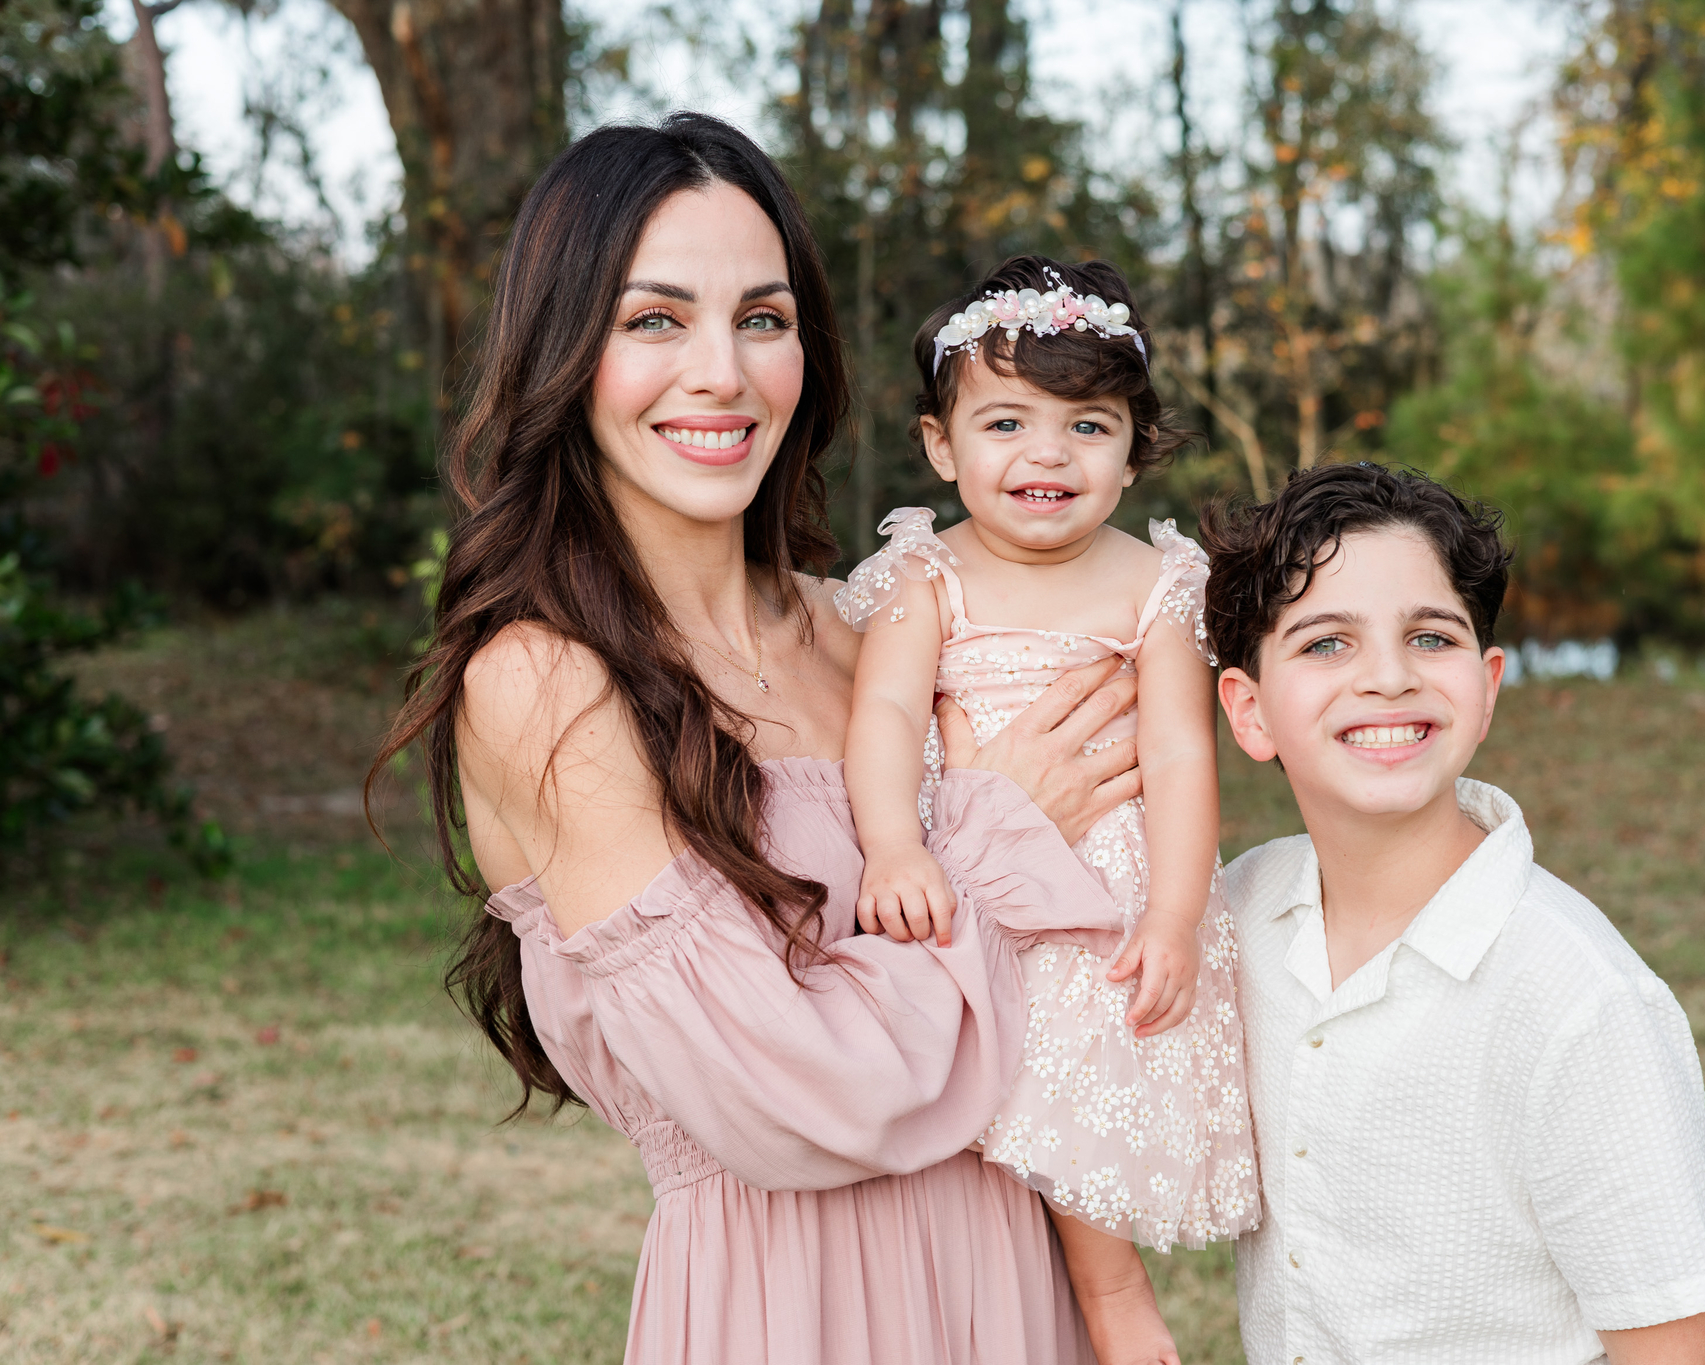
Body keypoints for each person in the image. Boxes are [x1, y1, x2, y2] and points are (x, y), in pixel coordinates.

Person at [371, 114, 1154, 1365]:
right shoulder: (544, 681)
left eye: (762, 318)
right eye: (653, 320)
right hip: (789, 1310)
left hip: (1012, 1280)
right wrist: (998, 841)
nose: (721, 376)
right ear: (563, 353)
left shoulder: (873, 631)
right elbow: (785, 1096)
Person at [1203, 463, 1705, 1365]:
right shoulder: (1239, 915)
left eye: (1430, 636)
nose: (1386, 677)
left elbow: (1677, 1348)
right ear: (1249, 712)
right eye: (1326, 642)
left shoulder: (1579, 998)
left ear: (1486, 687)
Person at [834, 255, 1259, 1365]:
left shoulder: (1152, 584)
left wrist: (1169, 916)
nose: (1045, 455)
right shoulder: (925, 577)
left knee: (1069, 1072)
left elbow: (1174, 753)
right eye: (1007, 422)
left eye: (1087, 427)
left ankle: (1112, 1300)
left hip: (1101, 887)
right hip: (961, 873)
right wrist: (890, 846)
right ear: (941, 446)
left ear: (1132, 452)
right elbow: (880, 718)